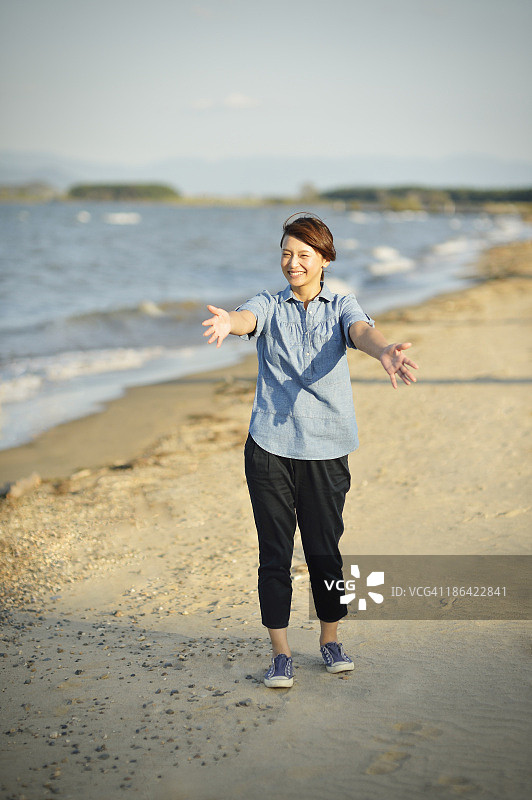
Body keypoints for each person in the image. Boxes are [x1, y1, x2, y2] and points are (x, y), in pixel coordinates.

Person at [202, 213, 418, 688]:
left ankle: (329, 640)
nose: (292, 263)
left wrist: (384, 351)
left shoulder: (342, 304)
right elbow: (246, 318)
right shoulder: (269, 303)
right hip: (269, 446)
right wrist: (228, 322)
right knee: (274, 553)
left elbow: (361, 331)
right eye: (286, 253)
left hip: (327, 447)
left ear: (324, 259)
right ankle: (281, 653)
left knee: (324, 551)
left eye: (303, 254)